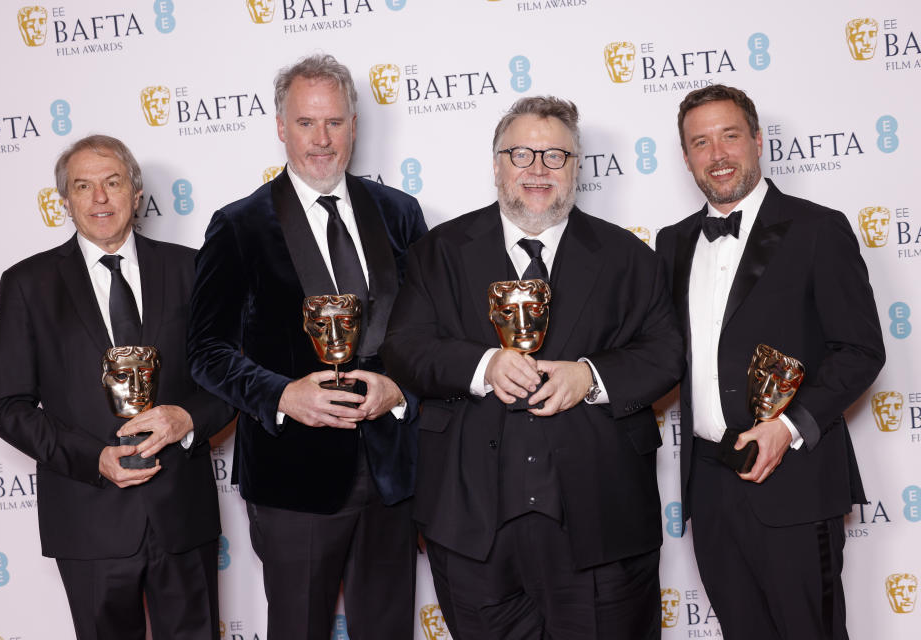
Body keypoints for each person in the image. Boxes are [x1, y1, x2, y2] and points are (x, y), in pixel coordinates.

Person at [380, 95, 684, 639]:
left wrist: (590, 376)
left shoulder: (629, 257)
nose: (537, 170)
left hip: (601, 526)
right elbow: (405, 347)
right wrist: (483, 365)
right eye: (520, 154)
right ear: (496, 164)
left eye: (555, 156)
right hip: (472, 528)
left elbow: (666, 354)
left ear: (577, 168)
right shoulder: (438, 252)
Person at [187, 53, 426, 640]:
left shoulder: (399, 213)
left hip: (392, 472)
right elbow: (206, 350)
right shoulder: (238, 225)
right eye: (305, 123)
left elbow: (431, 334)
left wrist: (400, 387)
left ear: (353, 125)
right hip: (292, 476)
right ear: (279, 126)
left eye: (335, 122)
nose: (322, 140)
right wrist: (283, 394)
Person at [656, 84, 885, 640]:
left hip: (796, 483)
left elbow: (860, 350)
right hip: (709, 488)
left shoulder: (816, 229)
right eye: (701, 143)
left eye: (730, 136)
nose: (718, 155)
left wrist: (788, 427)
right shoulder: (671, 243)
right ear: (686, 158)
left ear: (757, 141)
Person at [0, 134, 235, 639]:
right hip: (87, 520)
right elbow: (7, 407)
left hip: (182, 517)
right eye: (84, 186)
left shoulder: (192, 269)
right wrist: (91, 457)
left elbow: (230, 379)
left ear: (136, 193)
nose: (100, 199)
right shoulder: (27, 285)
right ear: (66, 201)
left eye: (113, 182)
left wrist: (188, 419)